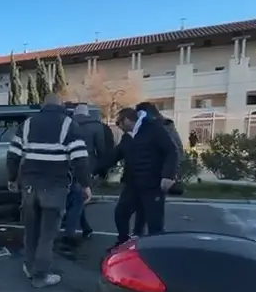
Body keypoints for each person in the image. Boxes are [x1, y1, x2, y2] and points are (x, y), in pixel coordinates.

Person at [7, 93, 92, 288]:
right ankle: (40, 276)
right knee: (47, 233)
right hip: (54, 187)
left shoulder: (27, 124)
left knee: (31, 229)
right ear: (60, 105)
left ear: (43, 105)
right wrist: (85, 185)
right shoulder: (68, 124)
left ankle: (29, 267)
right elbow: (80, 158)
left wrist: (12, 179)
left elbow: (13, 154)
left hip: (29, 185)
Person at [98, 107, 178, 248]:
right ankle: (122, 243)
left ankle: (157, 251)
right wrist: (95, 170)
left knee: (154, 222)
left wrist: (168, 175)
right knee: (121, 213)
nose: (118, 127)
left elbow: (172, 151)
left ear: (127, 120)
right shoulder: (127, 138)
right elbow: (114, 156)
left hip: (153, 185)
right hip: (133, 184)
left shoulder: (154, 130)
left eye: (118, 123)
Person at [131, 102, 184, 237]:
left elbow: (174, 151)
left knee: (154, 219)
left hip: (156, 179)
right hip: (146, 180)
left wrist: (168, 175)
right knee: (142, 213)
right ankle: (139, 242)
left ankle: (155, 245)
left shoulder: (160, 128)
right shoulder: (150, 128)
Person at [61, 104, 105, 246]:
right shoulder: (96, 126)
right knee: (79, 198)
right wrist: (101, 169)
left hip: (68, 164)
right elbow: (101, 148)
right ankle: (70, 231)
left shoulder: (67, 124)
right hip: (87, 164)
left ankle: (85, 228)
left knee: (76, 197)